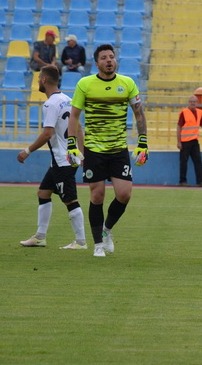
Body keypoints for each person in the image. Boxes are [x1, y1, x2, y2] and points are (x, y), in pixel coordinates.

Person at [67, 44, 148, 258]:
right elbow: (74, 116)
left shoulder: (128, 83)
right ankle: (97, 244)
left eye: (111, 57)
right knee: (97, 195)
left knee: (124, 194)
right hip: (94, 149)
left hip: (119, 148)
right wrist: (72, 144)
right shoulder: (85, 84)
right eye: (104, 58)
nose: (109, 60)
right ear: (96, 63)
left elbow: (139, 114)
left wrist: (143, 142)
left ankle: (107, 230)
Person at [18, 67, 88, 249]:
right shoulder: (68, 100)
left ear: (44, 80)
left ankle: (81, 241)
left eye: (39, 77)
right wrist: (82, 153)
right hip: (66, 158)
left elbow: (47, 134)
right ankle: (40, 237)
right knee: (43, 193)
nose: (38, 80)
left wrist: (27, 150)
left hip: (62, 160)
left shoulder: (50, 104)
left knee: (70, 199)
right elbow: (79, 128)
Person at [177, 95, 202, 187]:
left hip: (195, 140)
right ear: (188, 103)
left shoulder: (199, 112)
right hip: (185, 141)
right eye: (191, 101)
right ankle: (182, 181)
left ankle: (200, 181)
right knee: (183, 162)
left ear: (197, 103)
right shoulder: (184, 112)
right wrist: (179, 142)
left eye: (194, 101)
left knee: (198, 161)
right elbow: (179, 127)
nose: (192, 103)